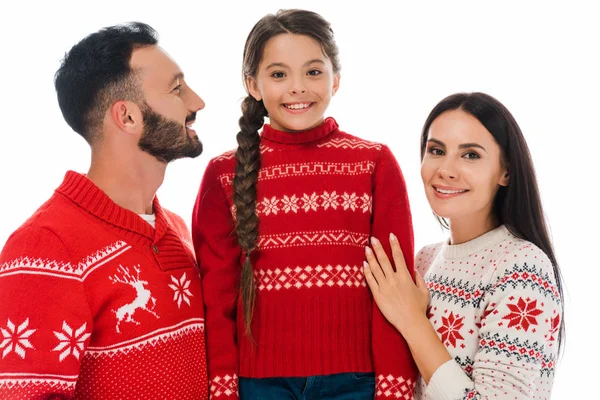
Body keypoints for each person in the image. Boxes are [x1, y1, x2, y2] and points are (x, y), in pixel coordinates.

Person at [192, 9, 416, 400]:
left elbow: (396, 289)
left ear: (337, 79)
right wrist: (223, 388)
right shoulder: (223, 173)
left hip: (358, 382)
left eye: (313, 72)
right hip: (257, 386)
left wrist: (394, 386)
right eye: (279, 74)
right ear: (253, 84)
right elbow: (216, 296)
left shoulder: (374, 163)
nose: (297, 87)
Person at [0, 22, 209, 399]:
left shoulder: (177, 229)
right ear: (127, 117)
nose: (196, 102)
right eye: (176, 89)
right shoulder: (45, 246)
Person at [363, 92, 564, 399]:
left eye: (470, 155)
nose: (446, 169)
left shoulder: (522, 267)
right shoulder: (424, 261)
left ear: (506, 171)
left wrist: (413, 321)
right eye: (436, 150)